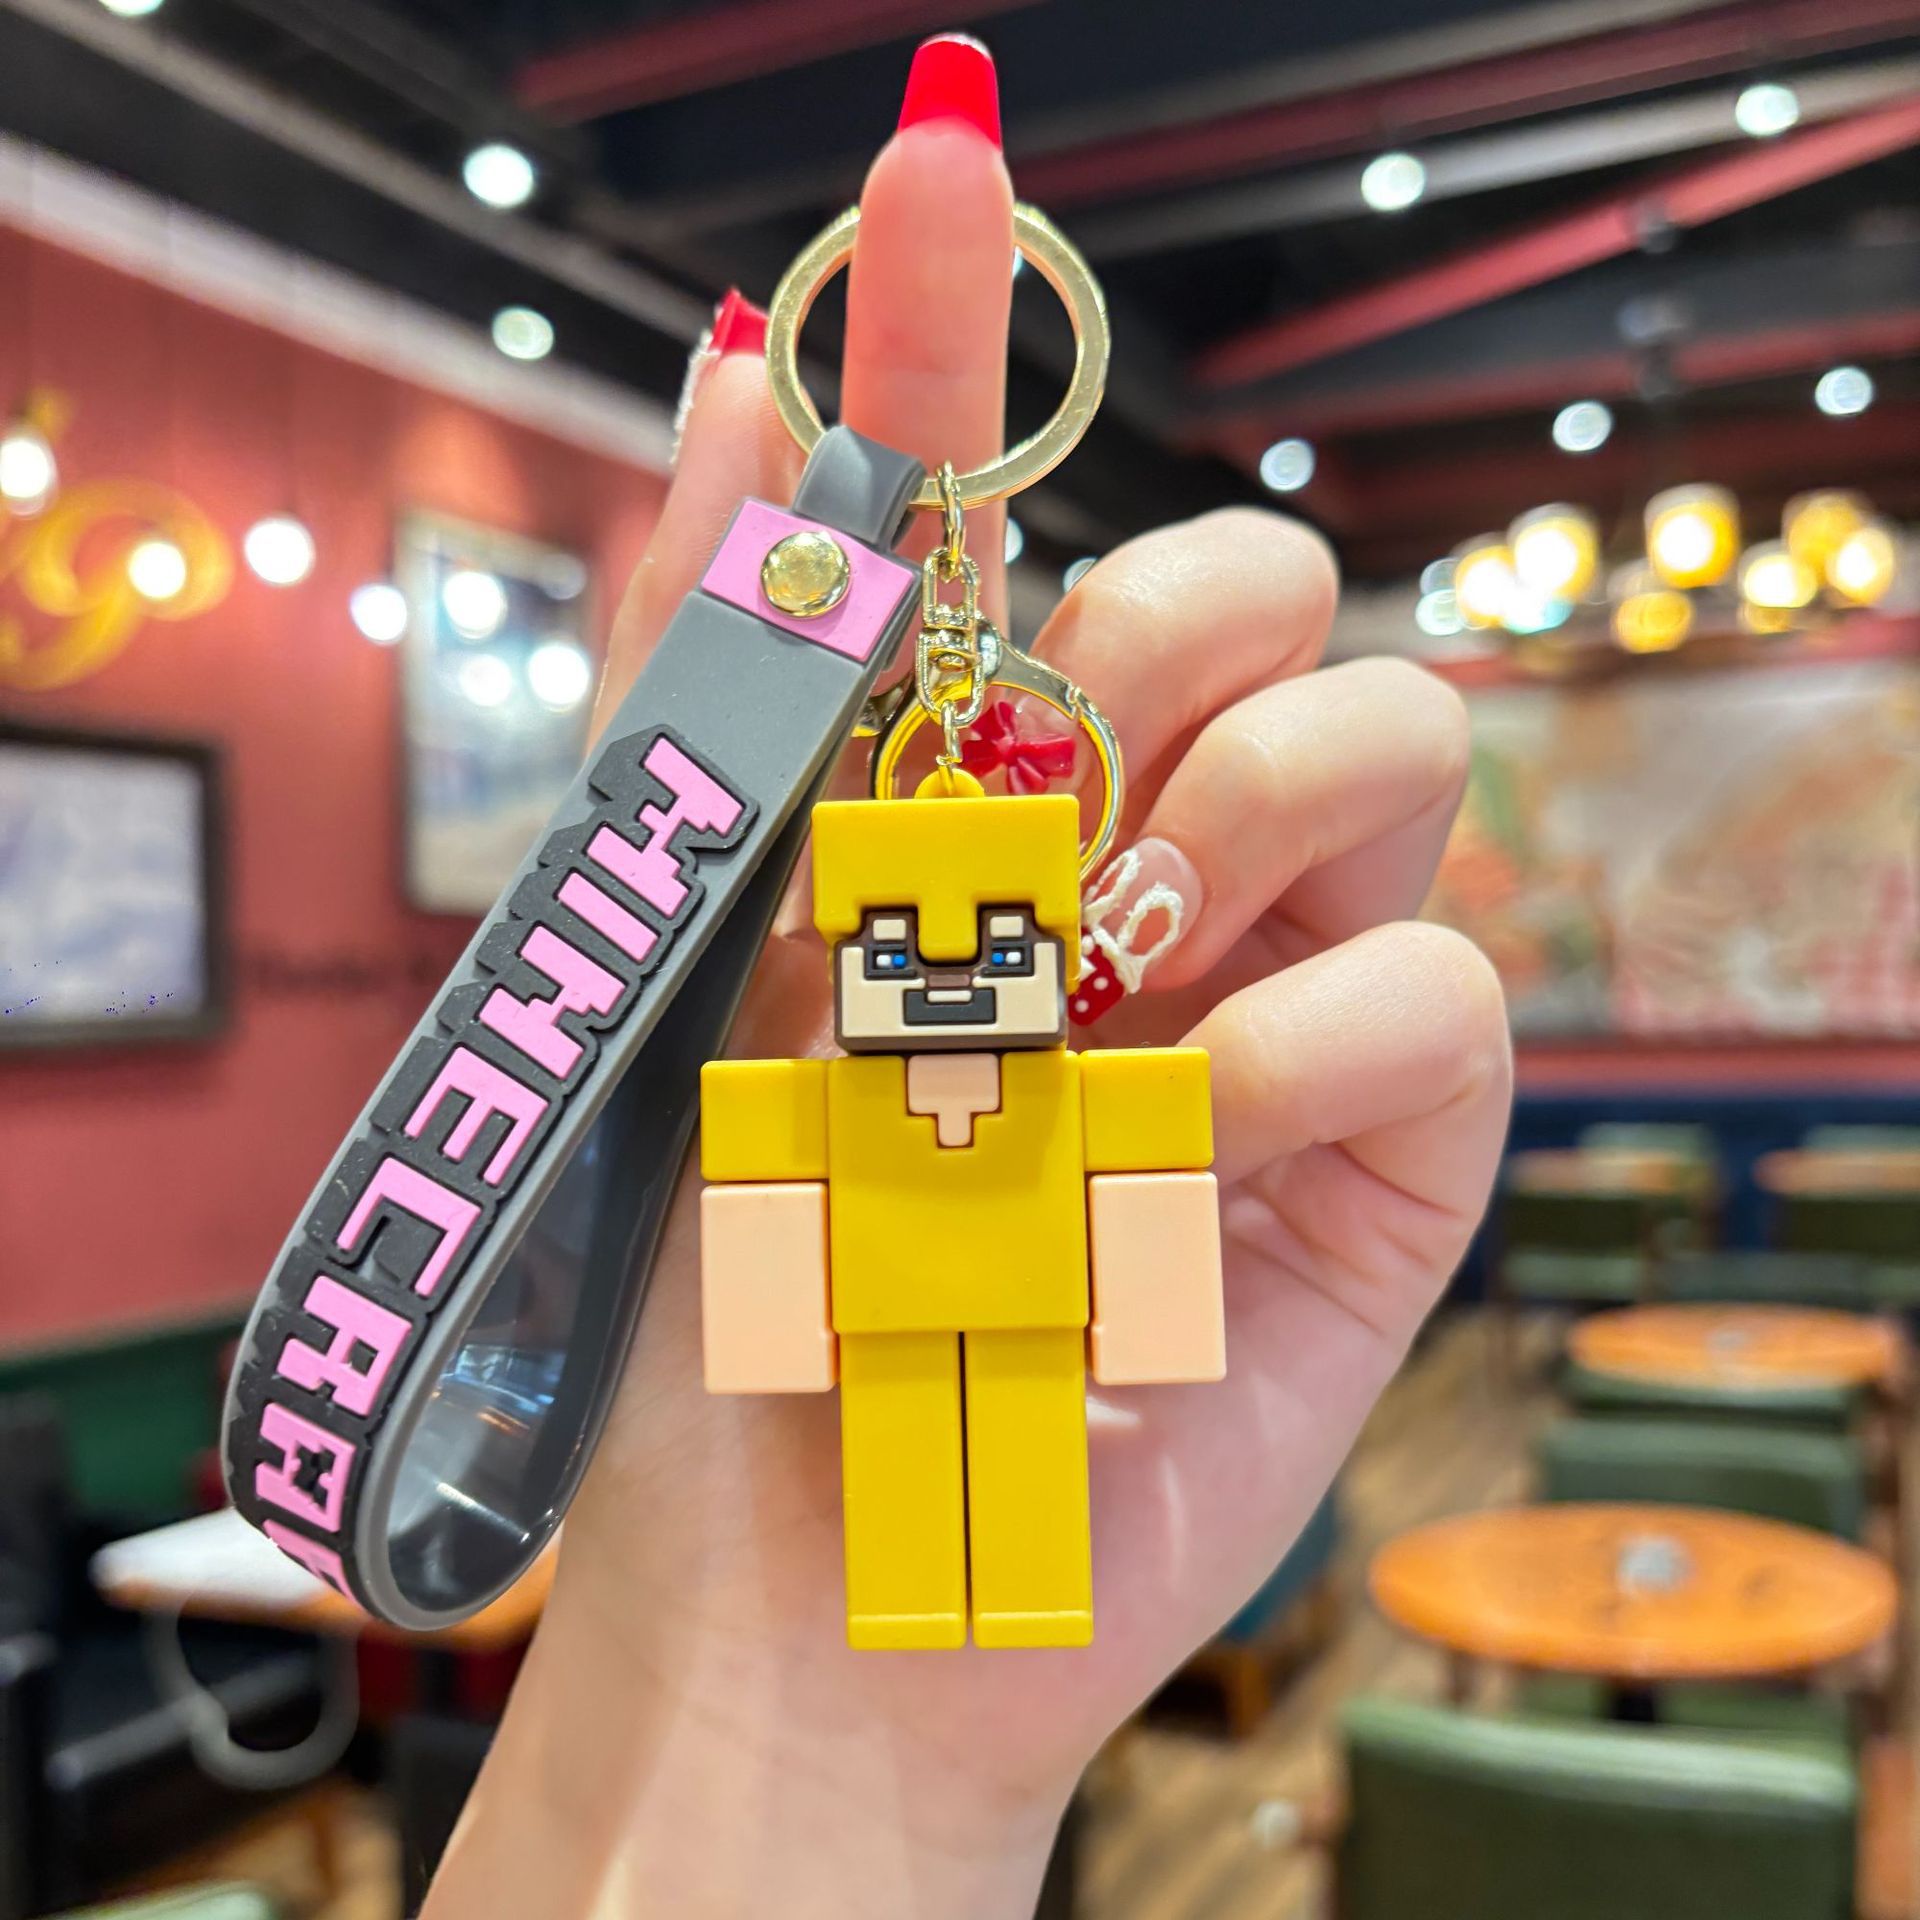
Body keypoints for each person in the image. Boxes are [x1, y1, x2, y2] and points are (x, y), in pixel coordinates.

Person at [422, 33, 1509, 1919]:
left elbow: (1147, 1175)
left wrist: (1151, 1279)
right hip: (901, 1318)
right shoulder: (800, 1108)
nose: (942, 971)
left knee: (1010, 1493)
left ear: (1057, 932)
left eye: (989, 939)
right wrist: (755, 1360)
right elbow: (770, 1204)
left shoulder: (1076, 1089)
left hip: (1011, 1320)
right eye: (903, 940)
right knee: (926, 1505)